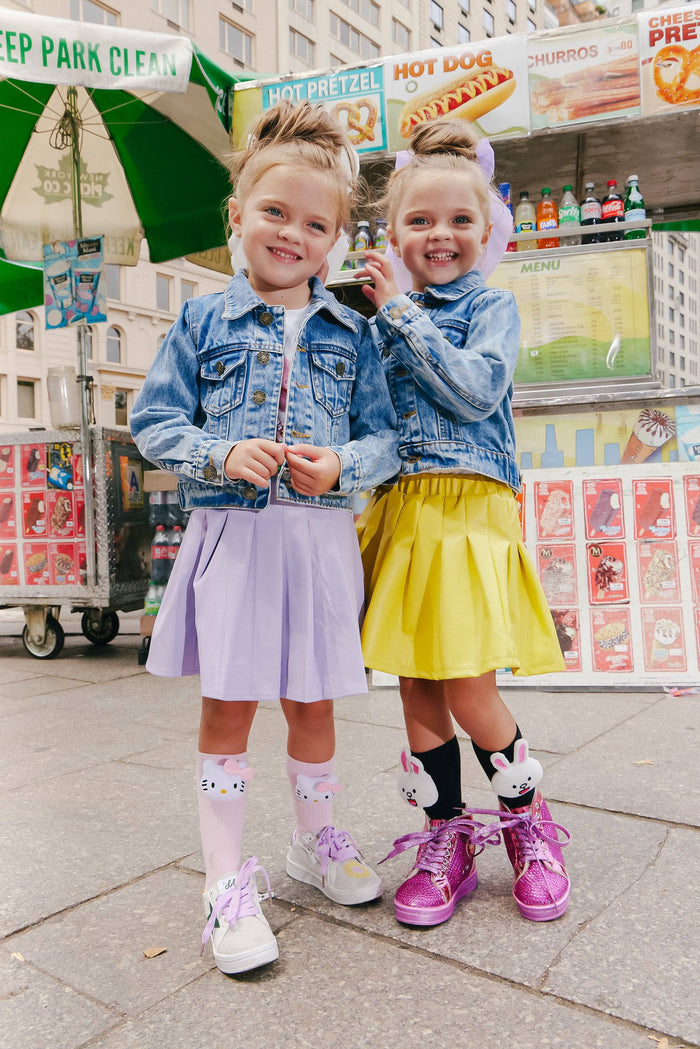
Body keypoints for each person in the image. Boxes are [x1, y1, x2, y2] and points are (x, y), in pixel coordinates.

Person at [130, 100, 399, 975]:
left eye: (316, 223)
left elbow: (384, 440)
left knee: (314, 702)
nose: (293, 233)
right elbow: (155, 422)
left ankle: (314, 841)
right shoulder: (201, 323)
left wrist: (343, 465)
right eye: (275, 211)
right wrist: (219, 449)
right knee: (230, 704)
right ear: (237, 213)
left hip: (317, 544)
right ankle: (223, 880)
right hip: (236, 539)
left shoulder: (354, 331)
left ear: (336, 241)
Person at [355, 117, 571, 929]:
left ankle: (528, 821)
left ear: (487, 231)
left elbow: (477, 390)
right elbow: (369, 424)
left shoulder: (492, 307)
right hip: (404, 510)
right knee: (415, 680)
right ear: (393, 232)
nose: (439, 234)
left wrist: (405, 316)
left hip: (470, 510)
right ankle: (446, 834)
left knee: (469, 683)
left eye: (458, 220)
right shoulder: (375, 317)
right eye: (420, 220)